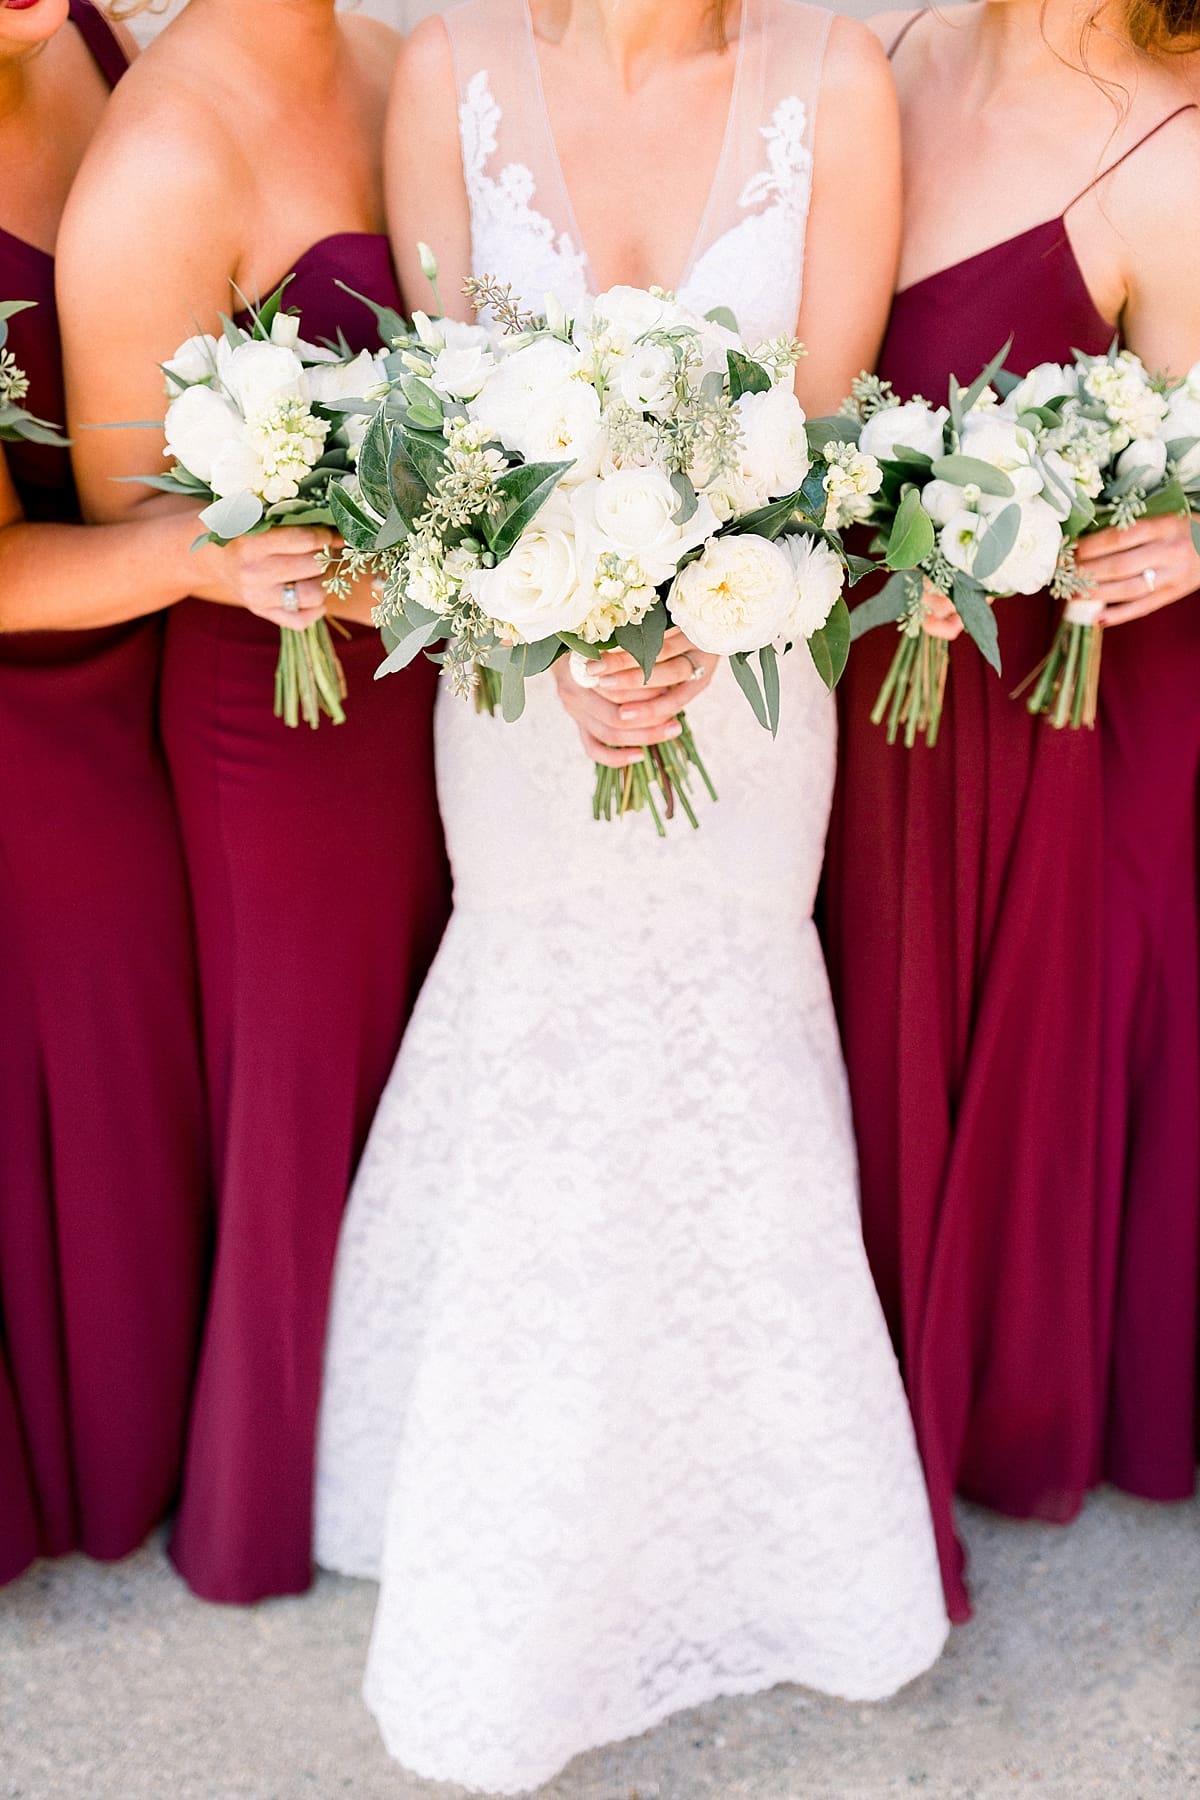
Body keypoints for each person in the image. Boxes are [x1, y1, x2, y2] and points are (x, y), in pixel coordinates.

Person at [314, 2, 949, 1790]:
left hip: (754, 680)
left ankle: (769, 1534)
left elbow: (819, 451)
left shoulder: (841, 85)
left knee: (729, 1041)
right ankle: (512, 1564)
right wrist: (560, 637)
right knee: (545, 1028)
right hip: (517, 689)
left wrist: (690, 620)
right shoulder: (447, 76)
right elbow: (446, 442)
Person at [57, 0, 452, 1605]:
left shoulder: (385, 53)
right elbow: (133, 513)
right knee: (302, 1099)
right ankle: (268, 1503)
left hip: (430, 668)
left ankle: (414, 1436)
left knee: (427, 1060)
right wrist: (305, 558)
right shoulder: (161, 152)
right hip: (276, 704)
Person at [823, 0, 1200, 1624]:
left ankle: (1017, 1388)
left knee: (1040, 1037)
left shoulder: (1173, 141)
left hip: (1059, 706)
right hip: (868, 663)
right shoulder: (895, 41)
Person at [0, 0, 210, 1588]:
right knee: (106, 1057)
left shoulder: (96, 36)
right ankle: (108, 1453)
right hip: (32, 695)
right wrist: (213, 548)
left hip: (174, 662)